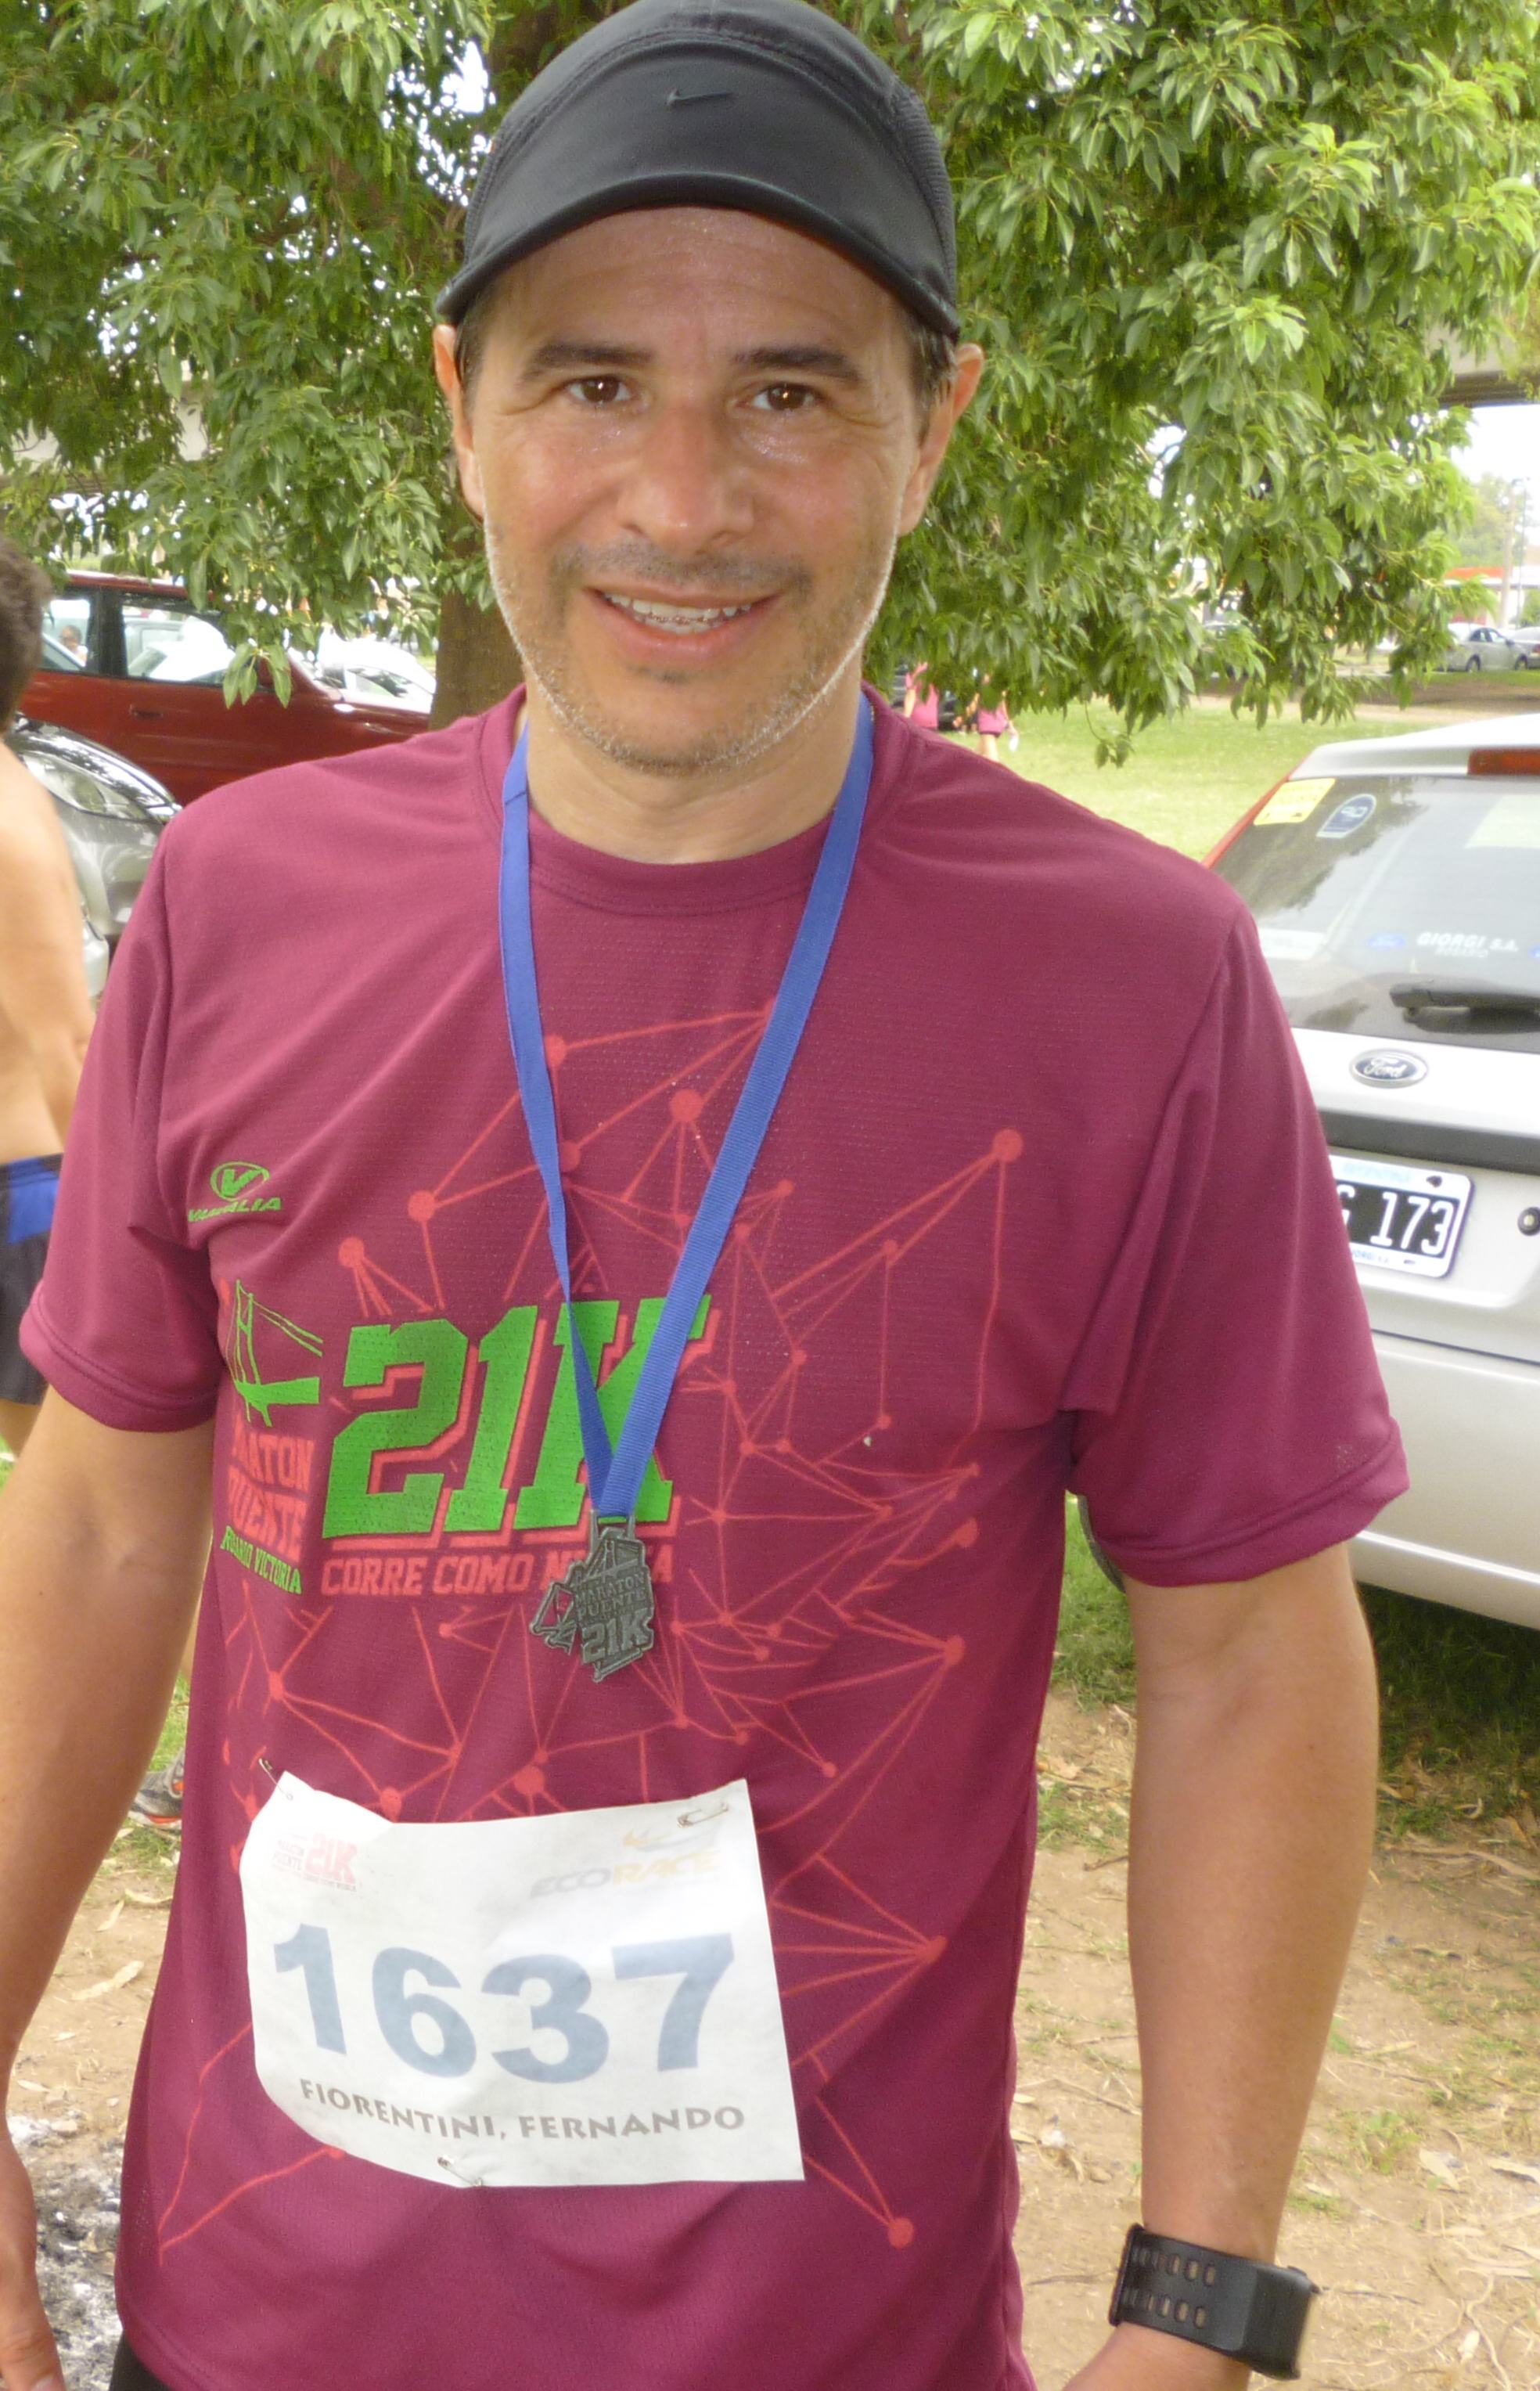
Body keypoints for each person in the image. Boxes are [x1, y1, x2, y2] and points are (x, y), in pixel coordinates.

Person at [0, 5, 1401, 2388]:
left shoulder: (1130, 985)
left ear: (932, 427)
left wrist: (1201, 2307)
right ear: (460, 408)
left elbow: (1248, 1646)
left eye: (787, 391)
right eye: (589, 382)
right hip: (256, 2319)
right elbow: (105, 1529)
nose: (679, 498)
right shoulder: (240, 904)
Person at [0, 537, 95, 1462]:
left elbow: (70, 1045)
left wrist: (113, 1255)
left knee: (56, 1485)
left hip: (20, 1209)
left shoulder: (7, 823)